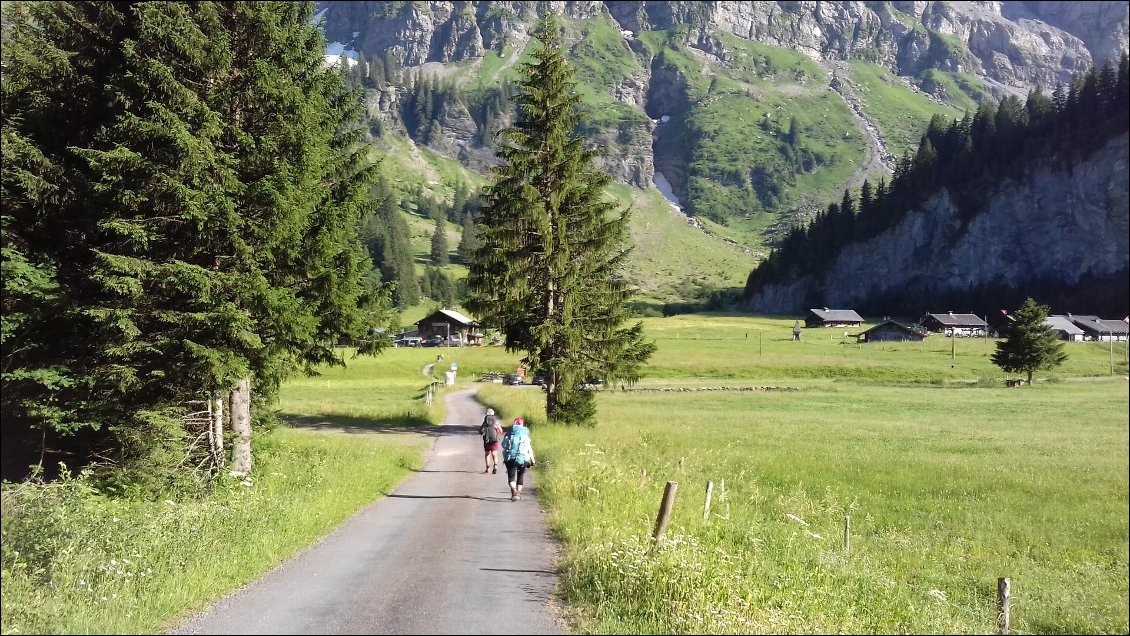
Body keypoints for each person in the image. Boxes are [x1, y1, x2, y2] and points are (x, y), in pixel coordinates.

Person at [501, 417, 535, 501]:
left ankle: (514, 490)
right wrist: (533, 460)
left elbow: (503, 445)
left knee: (511, 476)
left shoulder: (509, 433)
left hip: (510, 457)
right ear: (522, 424)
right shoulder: (525, 434)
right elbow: (529, 448)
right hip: (523, 458)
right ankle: (519, 493)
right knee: (520, 475)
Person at [479, 408, 503, 474]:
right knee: (494, 454)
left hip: (487, 440)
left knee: (487, 454)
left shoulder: (485, 422)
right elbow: (501, 431)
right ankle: (495, 466)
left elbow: (481, 431)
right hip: (494, 440)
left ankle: (488, 468)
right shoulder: (496, 421)